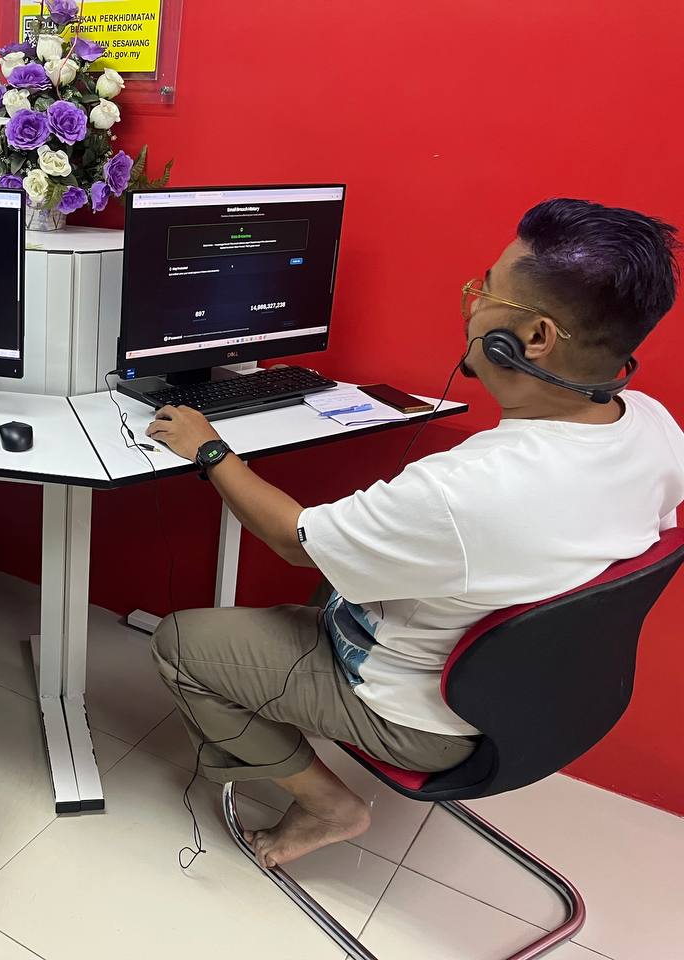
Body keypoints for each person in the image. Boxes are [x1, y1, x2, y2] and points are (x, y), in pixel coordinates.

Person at [146, 198, 684, 868]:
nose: (472, 302)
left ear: (533, 338)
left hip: (422, 715)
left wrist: (208, 448)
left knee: (180, 643)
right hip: (532, 700)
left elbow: (291, 538)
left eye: (488, 289)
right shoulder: (654, 425)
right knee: (333, 574)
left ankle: (329, 806)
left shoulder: (463, 491)